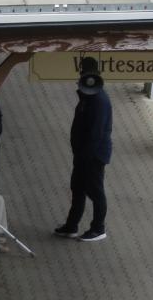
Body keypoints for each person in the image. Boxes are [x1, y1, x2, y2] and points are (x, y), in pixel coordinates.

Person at [55, 57, 112, 242]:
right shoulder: (90, 97)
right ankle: (71, 225)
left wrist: (84, 156)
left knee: (95, 191)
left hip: (92, 156)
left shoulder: (98, 100)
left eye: (83, 72)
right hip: (84, 154)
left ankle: (98, 228)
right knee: (78, 188)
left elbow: (96, 133)